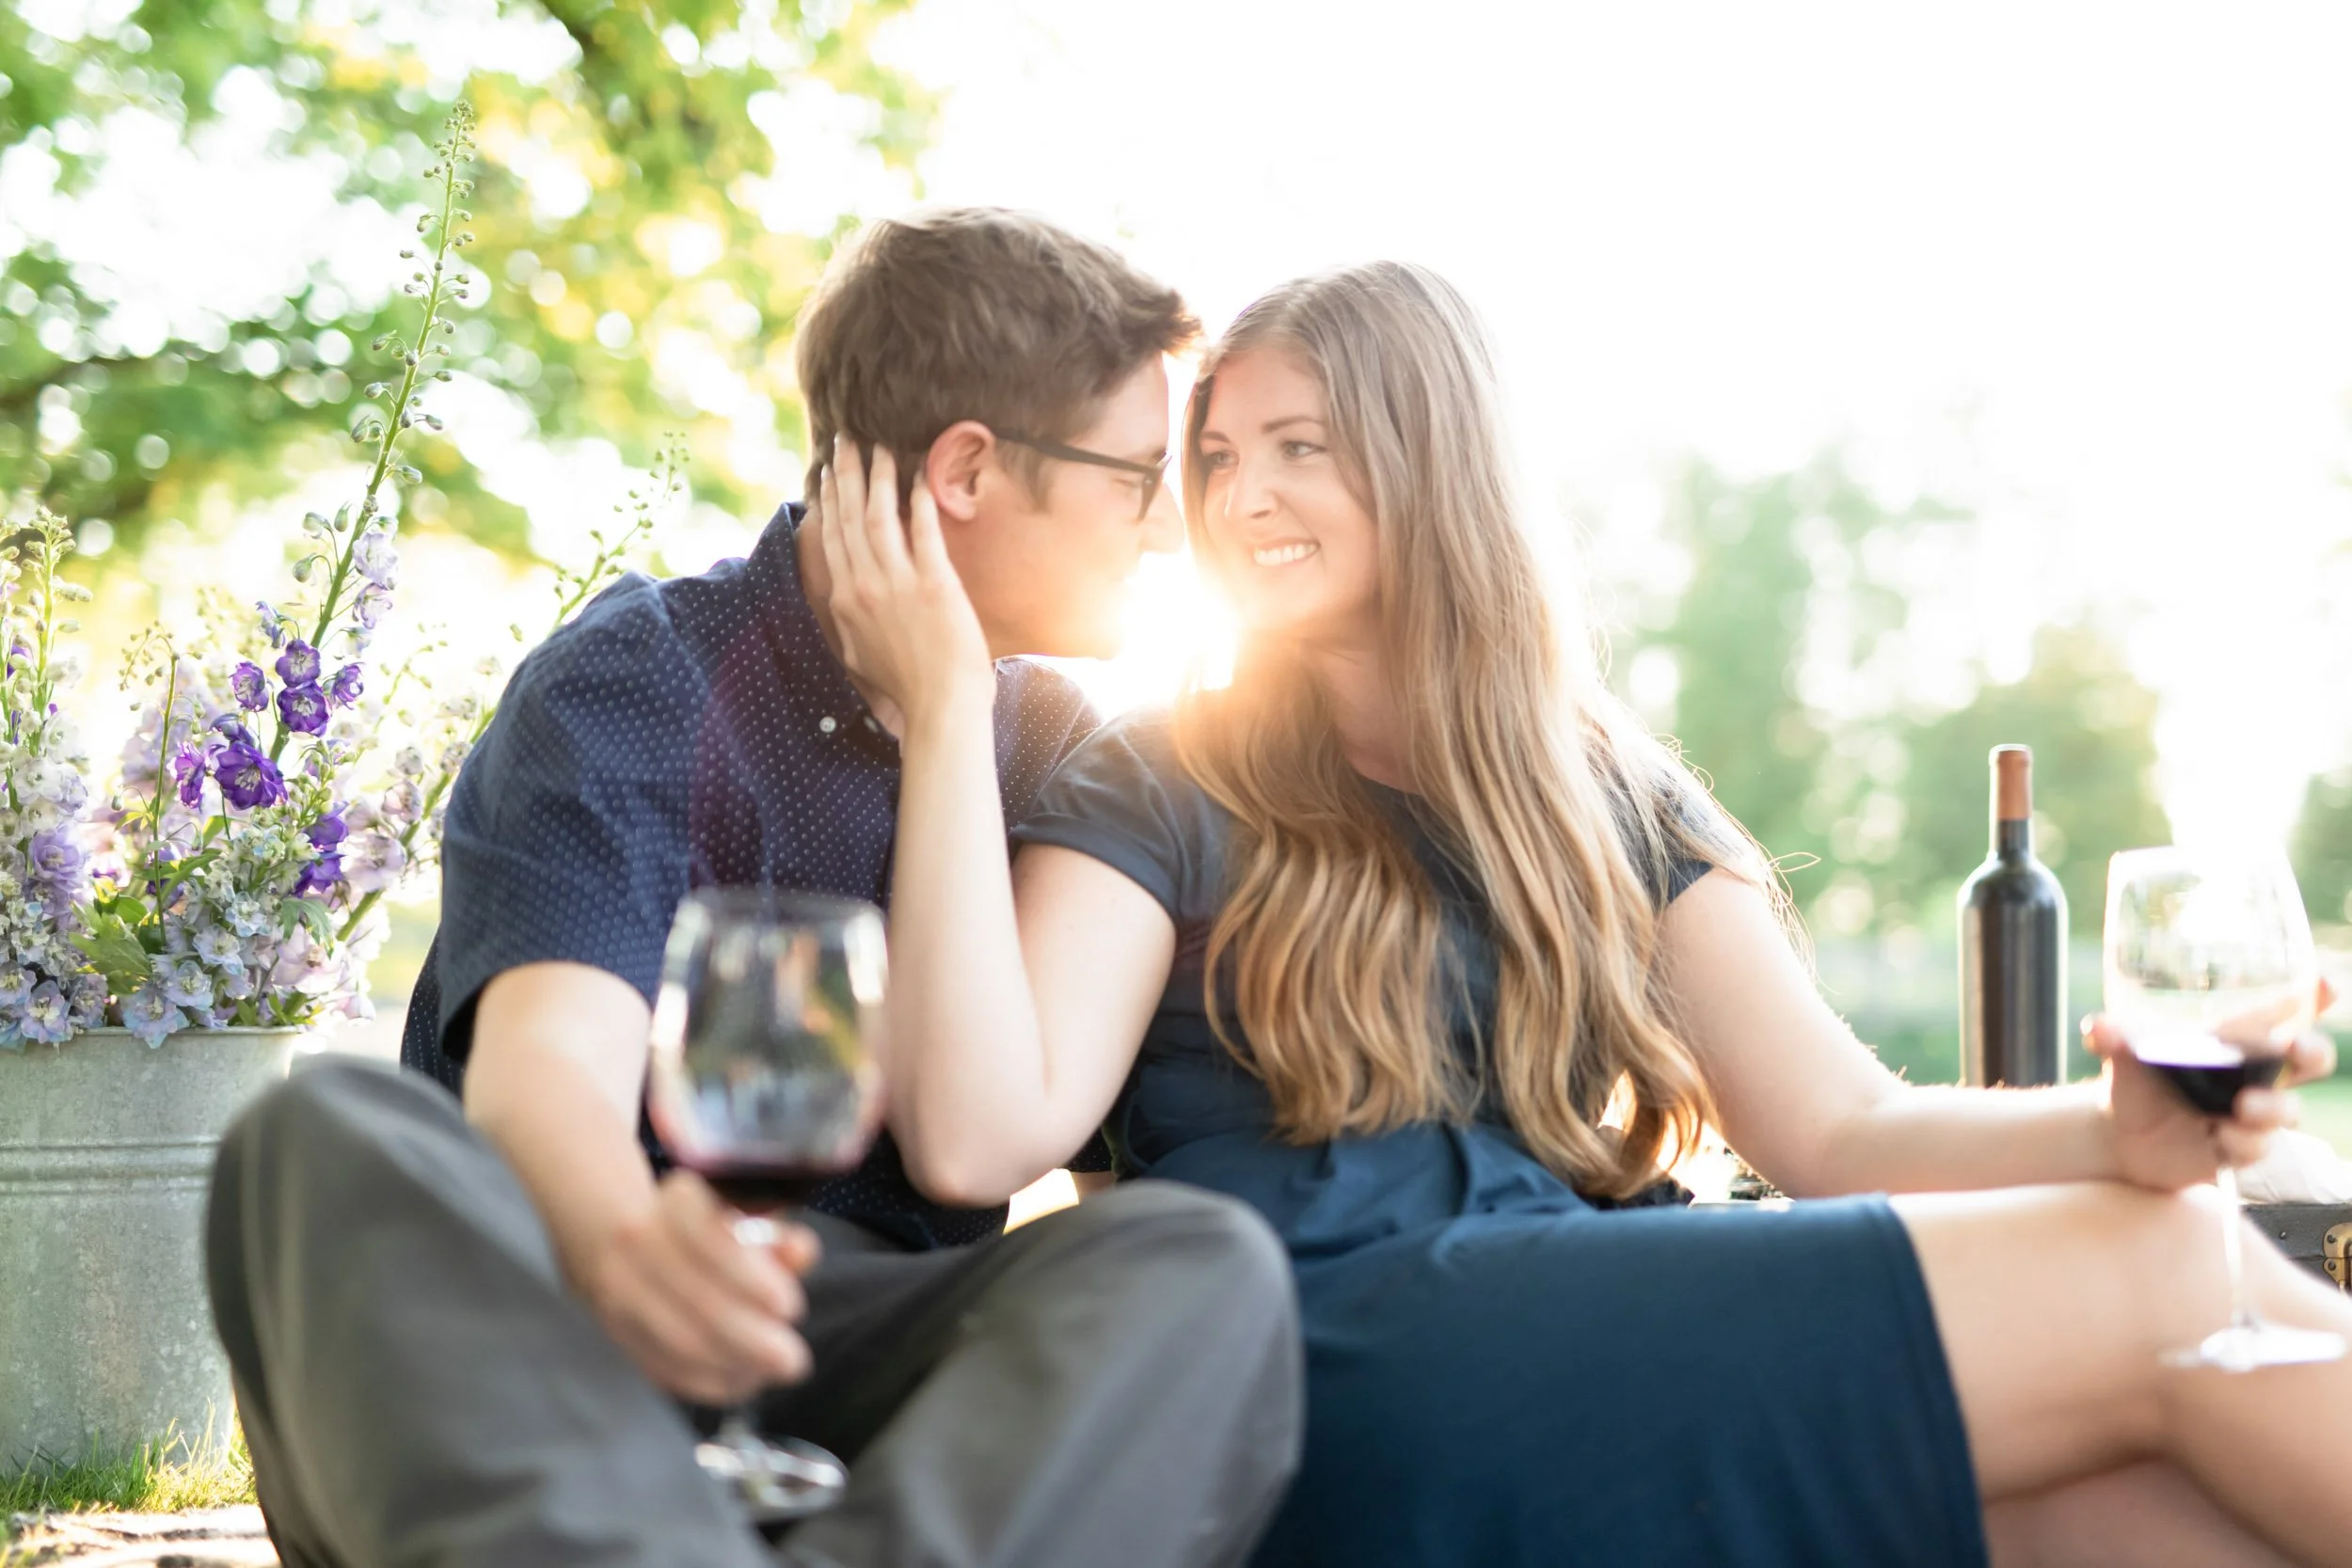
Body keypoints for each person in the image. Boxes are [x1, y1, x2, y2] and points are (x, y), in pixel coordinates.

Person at [815, 259, 2352, 1568]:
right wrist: (948, 708)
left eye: (1299, 446)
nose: (1240, 496)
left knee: (2123, 1503)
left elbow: (1844, 1131)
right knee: (2180, 1276)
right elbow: (979, 1133)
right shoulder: (1155, 775)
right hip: (1332, 1361)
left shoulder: (1605, 786)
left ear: (1434, 460)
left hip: (1575, 1318)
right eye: (1216, 456)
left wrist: (2122, 1130)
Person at [203, 208, 1302, 1568]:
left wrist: (951, 711)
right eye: (1139, 479)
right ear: (968, 469)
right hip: (554, 1326)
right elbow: (546, 1076)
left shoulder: (1062, 751)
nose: (1167, 535)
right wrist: (625, 1247)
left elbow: (1035, 1143)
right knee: (320, 1137)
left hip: (849, 1347)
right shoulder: (639, 677)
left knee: (1200, 1266)